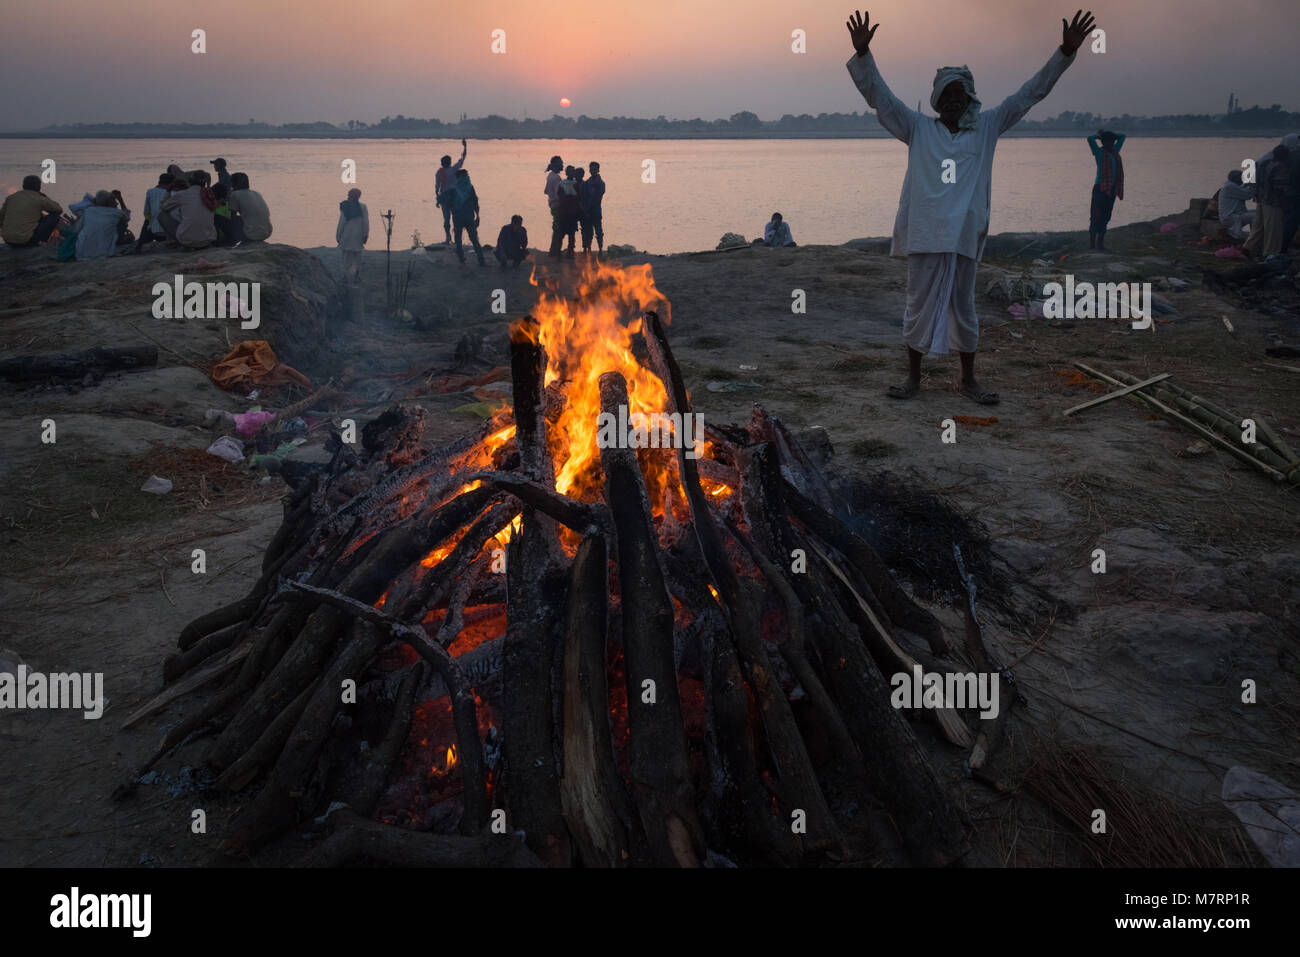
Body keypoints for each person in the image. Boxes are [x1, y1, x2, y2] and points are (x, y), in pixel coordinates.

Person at [846, 7, 1095, 406]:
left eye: (960, 93)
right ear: (937, 99)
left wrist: (1064, 52)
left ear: (969, 98)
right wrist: (863, 56)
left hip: (964, 234)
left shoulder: (987, 128)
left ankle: (969, 381)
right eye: (947, 94)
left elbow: (1029, 94)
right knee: (917, 305)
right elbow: (880, 98)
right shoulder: (918, 128)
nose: (953, 100)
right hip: (926, 233)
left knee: (964, 308)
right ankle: (913, 380)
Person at [1243, 145, 1289, 257]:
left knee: (1258, 227)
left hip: (1261, 200)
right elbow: (1280, 188)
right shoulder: (1280, 167)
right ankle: (1270, 253)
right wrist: (1285, 203)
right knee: (1273, 229)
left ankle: (1248, 248)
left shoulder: (1264, 164)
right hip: (1273, 202)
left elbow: (1256, 181)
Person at [1087, 129, 1124, 250]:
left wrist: (1110, 135)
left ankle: (1100, 243)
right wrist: (1099, 136)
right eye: (1107, 142)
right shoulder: (1099, 153)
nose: (1110, 144)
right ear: (1103, 143)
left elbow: (1122, 136)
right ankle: (1092, 244)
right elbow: (1090, 139)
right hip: (1100, 188)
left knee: (1106, 216)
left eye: (1112, 142)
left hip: (1112, 189)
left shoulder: (1115, 152)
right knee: (1096, 216)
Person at [0, 175, 63, 247]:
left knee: (37, 215)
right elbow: (58, 209)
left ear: (23, 186)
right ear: (39, 187)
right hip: (27, 241)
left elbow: (1, 218)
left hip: (8, 239)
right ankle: (40, 241)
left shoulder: (11, 197)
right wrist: (44, 196)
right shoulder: (39, 198)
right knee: (54, 216)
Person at [160, 171, 218, 249]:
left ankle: (176, 241)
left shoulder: (182, 195)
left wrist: (168, 190)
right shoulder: (210, 195)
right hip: (208, 239)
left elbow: (164, 207)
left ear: (190, 181)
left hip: (187, 241)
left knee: (161, 215)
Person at [73, 190, 131, 260]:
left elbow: (77, 230)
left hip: (81, 252)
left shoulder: (88, 211)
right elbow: (127, 216)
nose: (117, 203)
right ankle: (120, 241)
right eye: (113, 200)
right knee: (122, 223)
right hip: (102, 253)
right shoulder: (116, 213)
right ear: (108, 202)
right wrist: (121, 199)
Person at [450, 169, 486, 266]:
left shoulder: (454, 188)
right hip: (468, 216)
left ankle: (462, 259)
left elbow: (447, 201)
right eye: (466, 175)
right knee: (474, 239)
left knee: (458, 239)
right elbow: (475, 202)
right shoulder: (470, 187)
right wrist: (477, 216)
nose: (467, 177)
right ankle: (481, 260)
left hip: (458, 217)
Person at [435, 139, 468, 244]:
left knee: (446, 219)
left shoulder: (439, 172)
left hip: (444, 197)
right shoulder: (453, 170)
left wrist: (438, 198)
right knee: (456, 218)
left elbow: (437, 187)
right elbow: (463, 158)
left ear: (442, 163)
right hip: (454, 197)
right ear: (449, 163)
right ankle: (457, 238)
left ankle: (448, 237)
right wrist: (465, 147)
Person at [132, 173, 173, 251]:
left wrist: (150, 220)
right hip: (167, 233)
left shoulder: (150, 192)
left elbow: (146, 213)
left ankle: (140, 243)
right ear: (171, 183)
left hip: (153, 232)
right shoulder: (172, 193)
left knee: (148, 219)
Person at [228, 172, 272, 243]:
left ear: (234, 184)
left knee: (219, 218)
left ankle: (228, 243)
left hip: (251, 235)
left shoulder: (235, 194)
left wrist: (228, 197)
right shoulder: (256, 193)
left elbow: (232, 216)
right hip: (267, 233)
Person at [336, 187, 369, 282]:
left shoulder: (345, 207)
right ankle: (356, 275)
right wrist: (365, 234)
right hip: (358, 236)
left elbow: (341, 223)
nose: (347, 196)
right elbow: (366, 223)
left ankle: (345, 276)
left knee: (346, 257)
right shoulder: (363, 207)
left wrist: (338, 236)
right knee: (358, 256)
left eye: (349, 194)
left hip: (347, 236)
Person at [1218, 169, 1256, 241]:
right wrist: (1253, 184)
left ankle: (1254, 234)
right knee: (1255, 216)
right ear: (1236, 179)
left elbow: (1242, 191)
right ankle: (1253, 237)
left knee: (1257, 212)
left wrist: (1247, 185)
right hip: (1230, 217)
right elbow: (1248, 195)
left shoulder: (1231, 186)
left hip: (1235, 215)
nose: (1243, 180)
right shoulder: (1230, 187)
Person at [556, 166, 582, 259]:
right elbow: (559, 196)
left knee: (571, 234)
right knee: (562, 234)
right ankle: (559, 253)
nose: (571, 174)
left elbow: (578, 198)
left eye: (572, 172)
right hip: (565, 212)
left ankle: (569, 252)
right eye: (569, 172)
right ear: (567, 173)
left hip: (572, 212)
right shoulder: (563, 183)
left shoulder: (572, 184)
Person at [582, 161, 606, 256]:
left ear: (598, 170)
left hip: (595, 211)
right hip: (588, 211)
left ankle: (600, 249)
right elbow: (583, 197)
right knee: (588, 231)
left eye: (594, 169)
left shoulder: (601, 184)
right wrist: (585, 210)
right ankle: (588, 249)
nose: (593, 170)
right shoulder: (586, 183)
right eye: (591, 169)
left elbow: (598, 198)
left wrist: (588, 209)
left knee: (598, 231)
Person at [544, 155, 565, 257]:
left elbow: (546, 191)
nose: (562, 164)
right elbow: (559, 193)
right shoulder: (556, 178)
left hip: (552, 204)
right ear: (556, 165)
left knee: (556, 228)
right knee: (558, 229)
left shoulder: (550, 176)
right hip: (557, 205)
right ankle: (555, 251)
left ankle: (554, 250)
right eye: (561, 163)